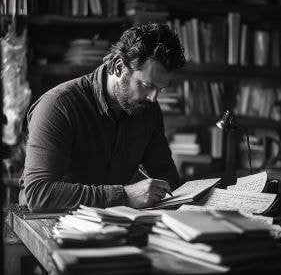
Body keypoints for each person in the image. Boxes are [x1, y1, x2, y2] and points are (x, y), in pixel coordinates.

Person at [19, 22, 186, 212]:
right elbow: (39, 194)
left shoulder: (148, 109)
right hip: (51, 221)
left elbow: (166, 175)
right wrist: (124, 195)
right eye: (147, 85)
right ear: (118, 67)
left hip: (116, 219)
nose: (154, 98)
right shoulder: (58, 106)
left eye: (160, 89)